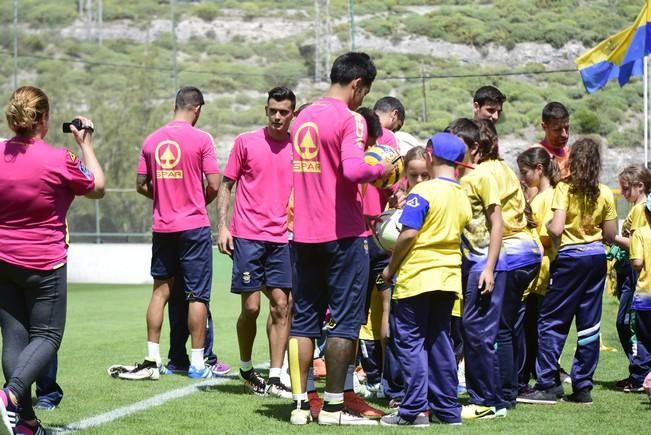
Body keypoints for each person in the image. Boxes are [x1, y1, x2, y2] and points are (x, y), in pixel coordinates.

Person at [288, 52, 394, 426]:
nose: (362, 99)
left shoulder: (302, 118)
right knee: (345, 324)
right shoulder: (348, 120)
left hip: (302, 234)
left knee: (302, 322)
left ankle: (301, 405)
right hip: (342, 234)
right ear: (357, 85)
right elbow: (352, 169)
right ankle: (333, 408)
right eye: (364, 92)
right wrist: (382, 167)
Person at [0, 86, 105, 435]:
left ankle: (26, 423)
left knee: (14, 338)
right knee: (46, 335)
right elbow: (98, 186)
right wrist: (85, 144)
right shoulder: (58, 158)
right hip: (44, 263)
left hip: (3, 261)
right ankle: (11, 395)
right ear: (43, 119)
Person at [379, 133, 472, 427]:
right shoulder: (461, 194)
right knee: (440, 342)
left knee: (411, 344)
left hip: (417, 277)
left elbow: (407, 234)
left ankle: (414, 411)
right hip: (448, 279)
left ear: (430, 155)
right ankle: (447, 410)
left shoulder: (423, 192)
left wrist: (389, 270)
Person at [518, 137, 617, 405]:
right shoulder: (606, 192)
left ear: (572, 161)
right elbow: (610, 234)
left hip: (570, 259)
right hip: (596, 259)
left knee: (552, 321)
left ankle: (548, 384)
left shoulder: (565, 189)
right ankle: (583, 387)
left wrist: (550, 226)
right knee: (589, 324)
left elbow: (557, 228)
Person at [135, 86, 220, 379]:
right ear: (197, 109)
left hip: (163, 226)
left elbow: (140, 184)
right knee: (197, 295)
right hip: (194, 227)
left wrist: (164, 199)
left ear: (176, 105)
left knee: (160, 292)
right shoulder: (201, 139)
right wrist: (198, 200)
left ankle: (152, 358)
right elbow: (215, 183)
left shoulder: (152, 140)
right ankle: (198, 364)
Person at [216, 86, 295, 398]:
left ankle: (275, 376)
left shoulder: (299, 148)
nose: (277, 117)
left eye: (283, 112)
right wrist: (222, 227)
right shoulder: (246, 142)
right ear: (266, 110)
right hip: (248, 235)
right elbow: (226, 185)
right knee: (251, 308)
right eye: (273, 110)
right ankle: (247, 367)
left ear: (292, 115)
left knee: (282, 305)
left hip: (283, 238)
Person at [471, 121, 543, 413]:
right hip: (529, 251)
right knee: (509, 326)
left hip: (510, 253)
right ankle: (509, 390)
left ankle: (502, 394)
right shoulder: (503, 169)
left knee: (498, 328)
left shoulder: (482, 173)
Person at [458, 119, 508, 420]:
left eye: (458, 145)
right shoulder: (457, 180)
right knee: (472, 333)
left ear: (474, 148)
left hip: (483, 265)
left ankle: (487, 402)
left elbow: (497, 222)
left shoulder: (481, 177)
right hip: (468, 265)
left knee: (480, 334)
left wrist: (489, 267)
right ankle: (492, 398)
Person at [515, 147, 560, 395]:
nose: (523, 178)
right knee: (530, 328)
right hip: (536, 271)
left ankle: (532, 377)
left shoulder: (547, 198)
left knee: (532, 328)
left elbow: (546, 237)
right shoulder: (540, 197)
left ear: (539, 169)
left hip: (540, 271)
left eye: (525, 172)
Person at [612, 165, 651, 391]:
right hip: (632, 271)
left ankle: (640, 374)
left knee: (627, 323)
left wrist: (612, 237)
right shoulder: (638, 209)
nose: (624, 194)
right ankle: (639, 371)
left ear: (640, 186)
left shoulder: (640, 210)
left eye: (627, 189)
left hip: (637, 273)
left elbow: (636, 243)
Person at [165, 276, 230, 376]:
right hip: (194, 264)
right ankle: (206, 359)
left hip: (173, 266)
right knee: (198, 299)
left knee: (178, 303)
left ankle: (177, 360)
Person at [629, 196, 651, 392]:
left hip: (645, 296)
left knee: (643, 339)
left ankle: (640, 378)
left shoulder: (641, 234)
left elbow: (637, 263)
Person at [527, 102, 571, 199]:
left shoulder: (570, 153)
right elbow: (532, 199)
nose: (565, 135)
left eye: (567, 128)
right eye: (557, 129)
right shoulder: (536, 155)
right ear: (544, 127)